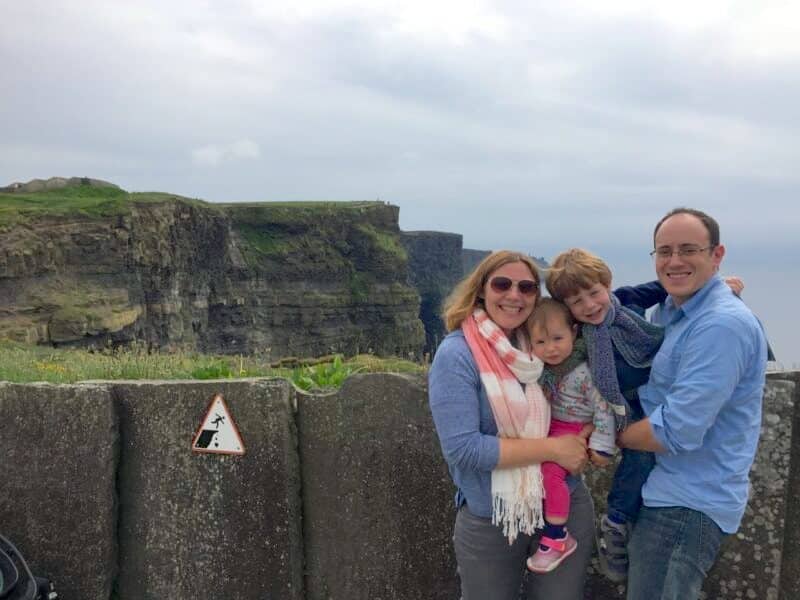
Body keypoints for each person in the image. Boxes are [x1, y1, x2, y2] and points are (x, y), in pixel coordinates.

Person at [618, 208, 768, 600]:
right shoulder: (670, 310)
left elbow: (677, 430)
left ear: (716, 255)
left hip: (686, 504)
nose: (674, 261)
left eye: (689, 249)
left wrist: (600, 437)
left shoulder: (721, 325)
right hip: (667, 492)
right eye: (664, 251)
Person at [428, 250, 593, 600]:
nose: (514, 295)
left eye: (527, 287)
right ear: (482, 289)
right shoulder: (457, 354)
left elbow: (604, 315)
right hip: (493, 514)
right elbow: (464, 449)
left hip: (563, 506)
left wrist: (705, 291)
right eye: (502, 284)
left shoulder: (543, 342)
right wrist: (554, 449)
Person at [545, 248, 666, 583]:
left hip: (658, 390)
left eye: (594, 293)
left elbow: (671, 287)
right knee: (640, 458)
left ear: (608, 285)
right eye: (576, 301)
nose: (589, 305)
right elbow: (557, 360)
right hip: (622, 408)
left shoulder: (628, 300)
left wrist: (721, 285)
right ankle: (616, 521)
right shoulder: (580, 337)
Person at [525, 298, 616, 574]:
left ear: (574, 333)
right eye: (540, 343)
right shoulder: (541, 370)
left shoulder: (583, 371)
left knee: (550, 474)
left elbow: (603, 407)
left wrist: (601, 444)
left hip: (573, 428)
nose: (550, 348)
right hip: (552, 427)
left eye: (557, 338)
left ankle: (557, 535)